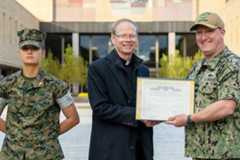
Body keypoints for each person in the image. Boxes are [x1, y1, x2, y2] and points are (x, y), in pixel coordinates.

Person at [167, 12, 240, 160]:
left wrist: (189, 119)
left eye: (209, 31)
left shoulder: (232, 65)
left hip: (226, 153)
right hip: (200, 152)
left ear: (222, 32)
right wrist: (159, 116)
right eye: (199, 32)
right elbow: (181, 101)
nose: (203, 37)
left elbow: (227, 106)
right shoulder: (197, 68)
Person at [0, 28, 80, 160]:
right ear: (20, 52)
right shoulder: (7, 84)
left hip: (46, 154)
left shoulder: (56, 85)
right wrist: (14, 134)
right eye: (25, 48)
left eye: (34, 48)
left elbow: (73, 118)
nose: (30, 51)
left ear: (42, 53)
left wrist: (47, 136)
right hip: (12, 154)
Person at [88, 19, 154, 160]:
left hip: (140, 150)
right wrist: (139, 115)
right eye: (123, 35)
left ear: (136, 39)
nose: (128, 40)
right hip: (110, 151)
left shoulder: (144, 70)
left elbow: (148, 106)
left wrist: (157, 114)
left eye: (132, 36)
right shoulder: (97, 68)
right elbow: (100, 107)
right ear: (113, 38)